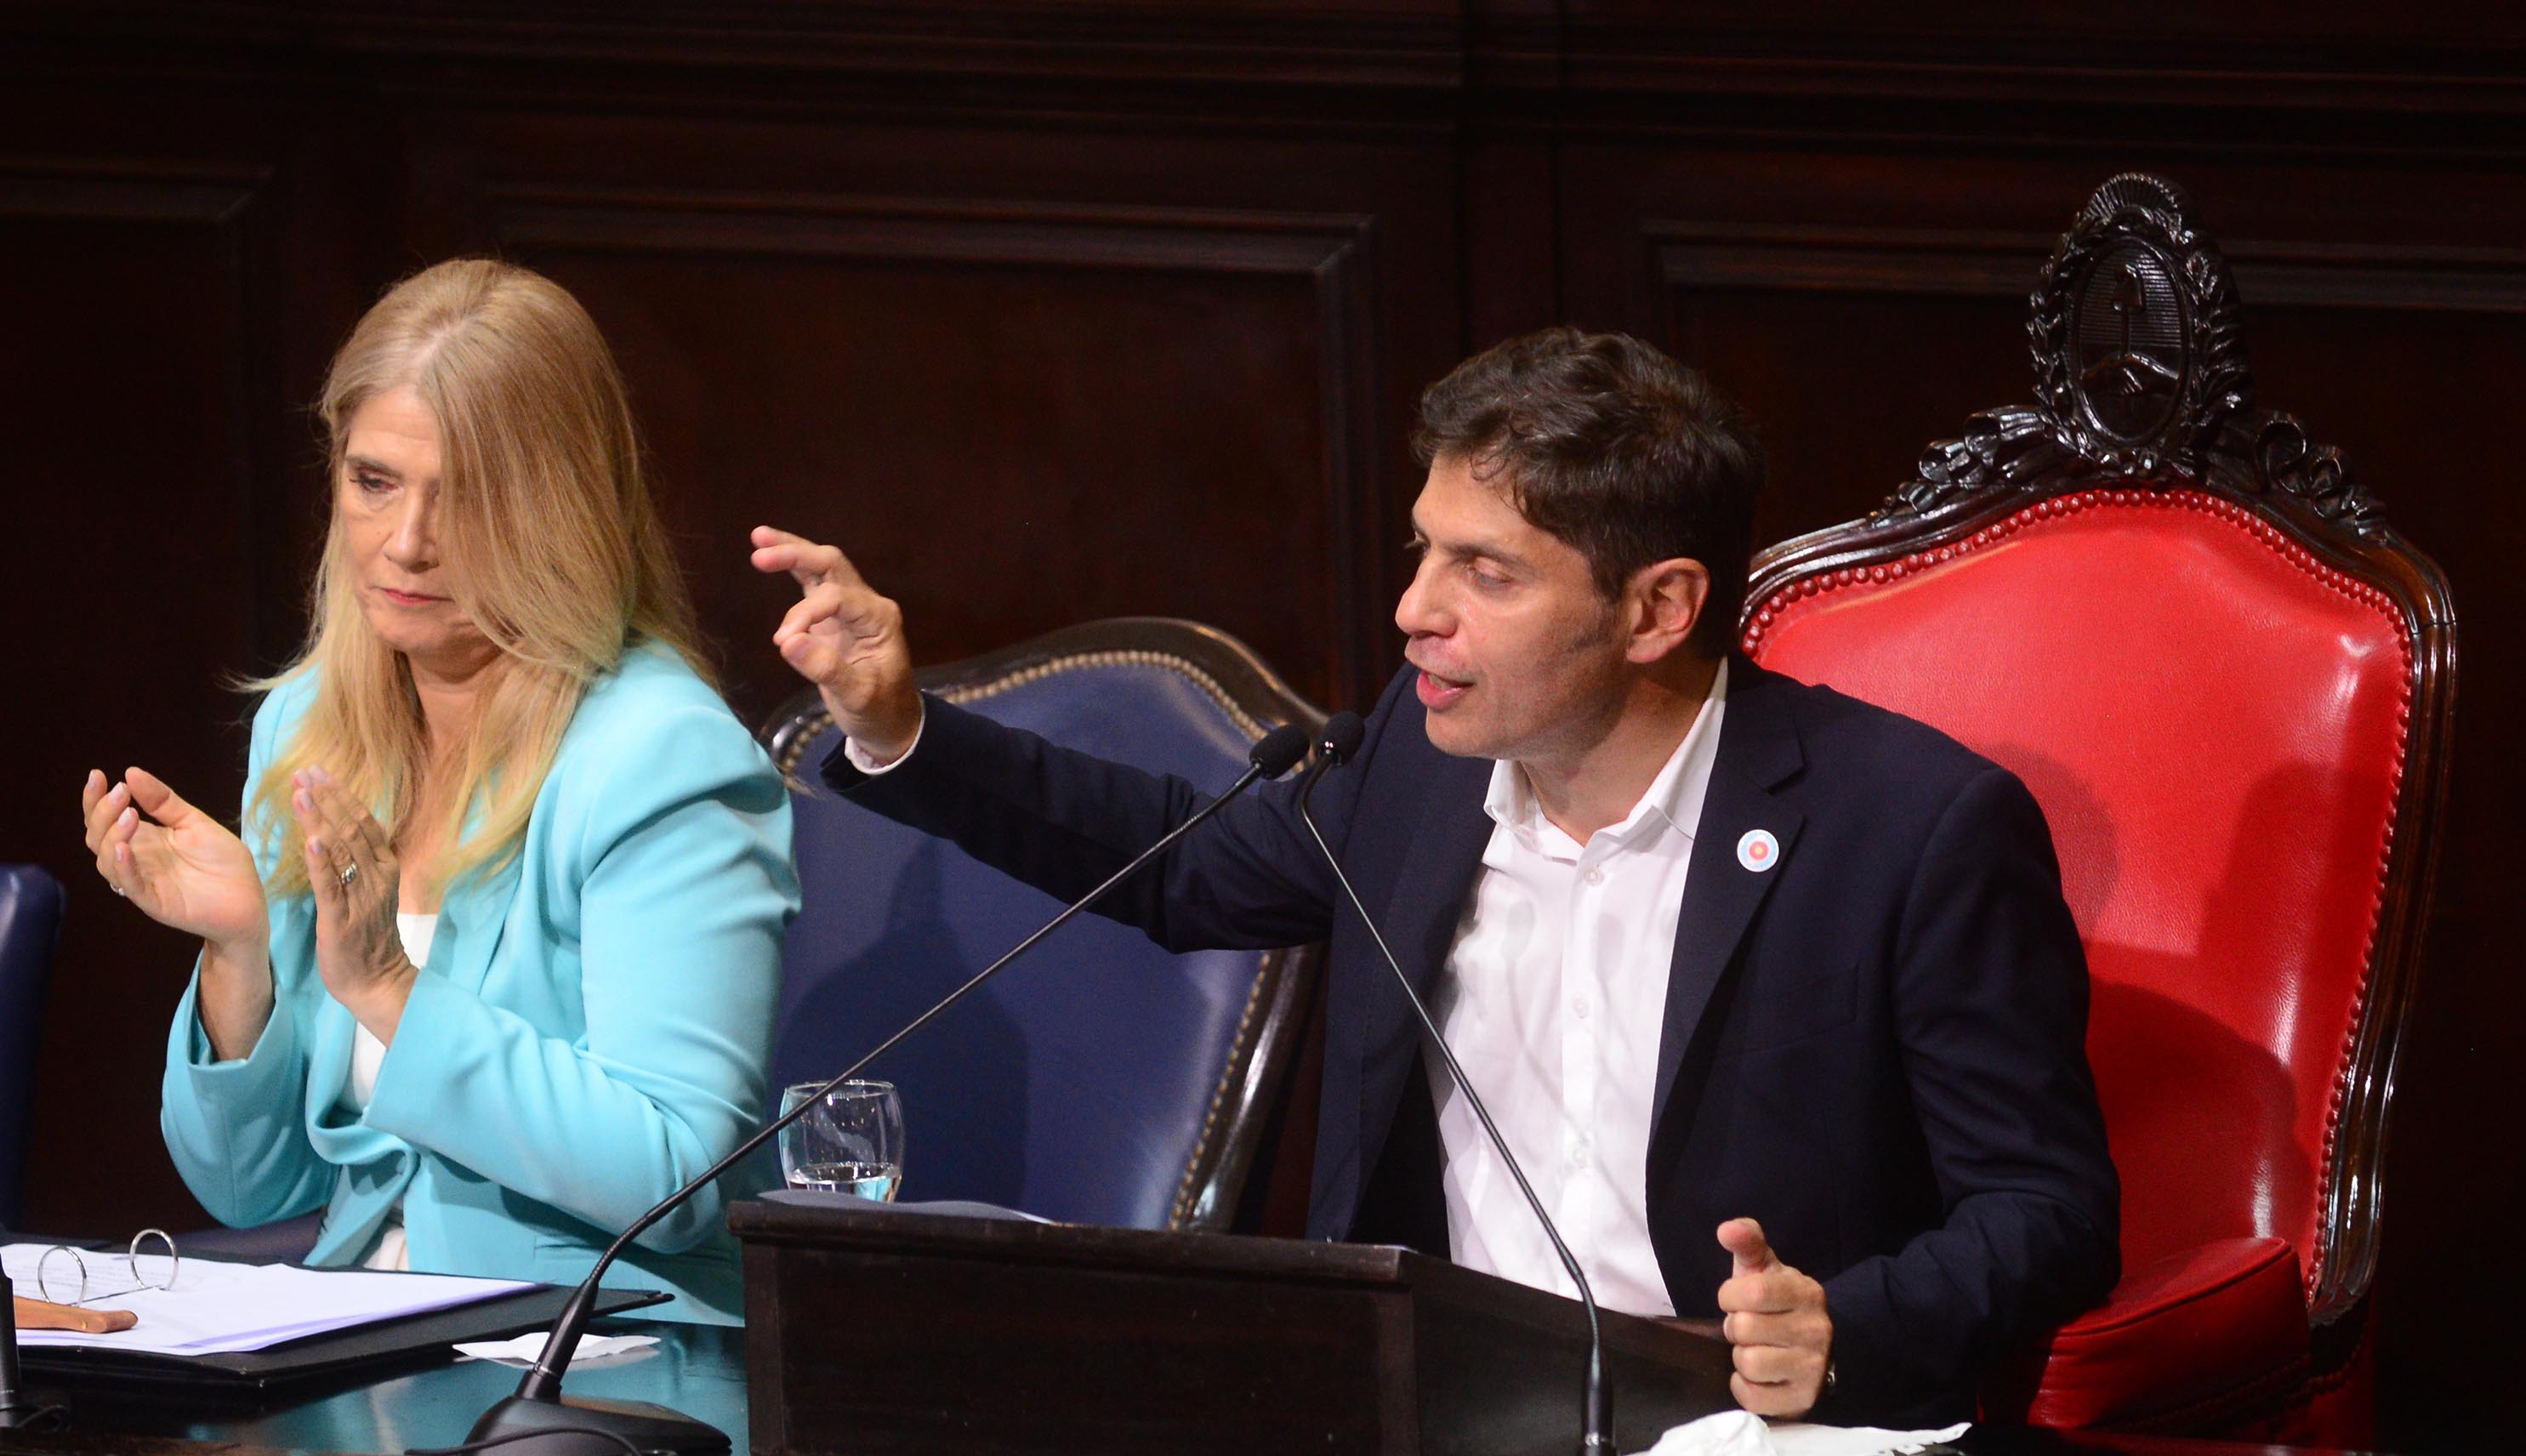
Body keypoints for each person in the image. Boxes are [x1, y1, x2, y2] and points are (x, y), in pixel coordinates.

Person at [754, 327, 2119, 1422]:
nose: (1415, 607)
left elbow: (2050, 1216)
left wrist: (1841, 1326)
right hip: (1448, 1404)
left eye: (1486, 571)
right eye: (1424, 548)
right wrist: (901, 728)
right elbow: (1173, 868)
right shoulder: (1419, 765)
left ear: (1659, 610)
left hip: (1746, 1429)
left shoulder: (1911, 828)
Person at [77, 259, 798, 1323]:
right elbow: (253, 1190)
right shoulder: (312, 725)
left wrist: (392, 995)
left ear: (559, 507)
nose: (406, 541)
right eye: (375, 480)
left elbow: (675, 1174)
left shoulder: (661, 756)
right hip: (365, 1339)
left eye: (463, 496)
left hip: (598, 1351)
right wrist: (239, 959)